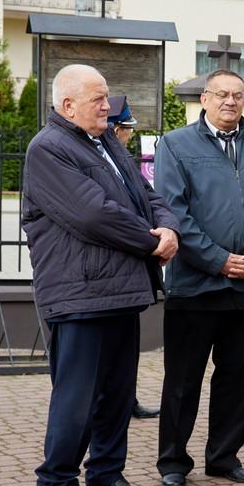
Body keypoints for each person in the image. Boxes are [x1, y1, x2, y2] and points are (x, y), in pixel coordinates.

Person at [24, 64, 179, 486]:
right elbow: (93, 214)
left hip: (121, 289)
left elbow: (148, 195)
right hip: (80, 293)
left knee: (117, 391)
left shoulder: (106, 141)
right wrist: (152, 242)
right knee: (78, 395)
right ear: (67, 105)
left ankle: (106, 474)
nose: (107, 106)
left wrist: (168, 227)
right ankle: (56, 483)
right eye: (97, 98)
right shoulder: (48, 148)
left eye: (106, 97)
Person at [154, 69, 244, 486]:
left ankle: (224, 456)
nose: (230, 102)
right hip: (195, 285)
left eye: (238, 95)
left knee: (236, 377)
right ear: (205, 99)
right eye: (222, 94)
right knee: (183, 379)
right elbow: (174, 213)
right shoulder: (175, 145)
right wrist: (219, 261)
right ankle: (173, 460)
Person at [106, 95, 160, 420]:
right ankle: (116, 404)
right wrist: (151, 241)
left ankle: (128, 399)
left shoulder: (121, 159)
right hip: (110, 271)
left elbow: (150, 199)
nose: (129, 135)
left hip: (130, 273)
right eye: (127, 129)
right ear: (117, 130)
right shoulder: (103, 156)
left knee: (125, 350)